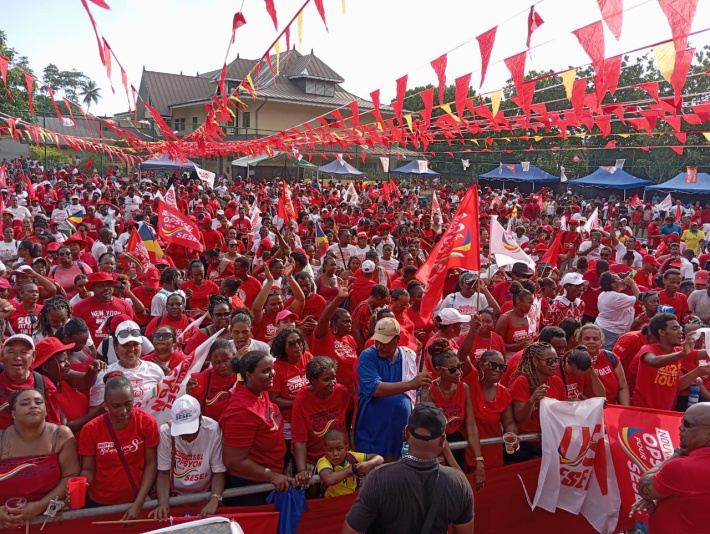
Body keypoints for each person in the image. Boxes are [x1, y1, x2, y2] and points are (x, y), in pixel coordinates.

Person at [343, 403, 474, 534]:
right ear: (443, 441)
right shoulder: (458, 483)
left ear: (406, 433)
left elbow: (351, 531)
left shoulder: (379, 478)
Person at [79, 375, 158, 518]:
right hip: (98, 504)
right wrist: (81, 485)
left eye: (128, 404)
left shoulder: (147, 423)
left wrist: (138, 504)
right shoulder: (90, 430)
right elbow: (88, 468)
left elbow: (151, 465)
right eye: (116, 406)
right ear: (106, 405)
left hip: (135, 501)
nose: (123, 411)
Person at [0, 388, 79, 529]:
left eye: (38, 402)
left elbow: (70, 476)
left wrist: (39, 506)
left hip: (51, 522)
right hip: (7, 524)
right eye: (25, 403)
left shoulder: (62, 435)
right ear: (13, 413)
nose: (33, 405)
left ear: (46, 410)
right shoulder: (1, 439)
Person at [220, 350, 291, 505]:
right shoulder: (241, 411)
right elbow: (234, 461)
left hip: (269, 477)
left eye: (272, 368)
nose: (272, 373)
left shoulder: (260, 390)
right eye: (265, 371)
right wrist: (271, 476)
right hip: (250, 487)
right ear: (249, 375)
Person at [354, 318, 431, 461]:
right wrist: (410, 384)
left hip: (399, 434)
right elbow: (375, 388)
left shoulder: (409, 355)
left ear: (397, 339)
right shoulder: (368, 356)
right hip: (373, 435)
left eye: (384, 342)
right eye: (377, 341)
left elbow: (415, 395)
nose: (379, 346)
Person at [631, 403, 710, 534]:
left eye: (687, 423)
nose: (680, 427)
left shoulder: (682, 467)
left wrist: (678, 453)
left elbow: (644, 487)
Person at [149, 395, 227, 520]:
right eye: (180, 431)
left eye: (190, 430)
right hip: (175, 499)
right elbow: (163, 473)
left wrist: (214, 499)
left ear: (200, 418)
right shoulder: (165, 432)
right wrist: (163, 503)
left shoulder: (213, 430)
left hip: (206, 496)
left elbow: (218, 471)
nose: (185, 435)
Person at [422, 347, 485, 486]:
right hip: (435, 446)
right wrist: (457, 470)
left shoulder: (464, 388)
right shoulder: (429, 392)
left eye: (460, 367)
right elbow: (439, 433)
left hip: (456, 441)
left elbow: (471, 425)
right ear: (439, 370)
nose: (458, 373)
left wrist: (479, 460)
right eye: (452, 370)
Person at [291, 357, 352, 486]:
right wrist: (302, 472)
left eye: (334, 377)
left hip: (340, 459)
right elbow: (299, 440)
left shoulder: (342, 392)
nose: (332, 382)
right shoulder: (301, 400)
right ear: (313, 381)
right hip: (314, 462)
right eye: (326, 379)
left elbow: (348, 421)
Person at [631, 313, 710, 410]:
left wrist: (697, 371)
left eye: (680, 328)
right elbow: (654, 361)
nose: (680, 332)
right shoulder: (648, 349)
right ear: (662, 332)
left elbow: (707, 353)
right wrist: (682, 354)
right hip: (643, 410)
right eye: (674, 328)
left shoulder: (679, 351)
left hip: (666, 411)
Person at [509, 342, 568, 461]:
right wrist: (532, 400)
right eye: (549, 361)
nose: (554, 365)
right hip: (525, 443)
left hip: (549, 441)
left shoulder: (557, 382)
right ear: (535, 361)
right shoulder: (522, 381)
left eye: (556, 360)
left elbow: (563, 414)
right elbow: (520, 419)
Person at [89, 320, 165, 409]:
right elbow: (94, 409)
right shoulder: (104, 374)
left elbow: (165, 400)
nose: (132, 349)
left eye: (136, 344)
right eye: (125, 345)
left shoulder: (155, 370)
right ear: (116, 347)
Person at [0, 333, 61, 429]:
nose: (17, 357)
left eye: (24, 352)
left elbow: (53, 428)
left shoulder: (45, 385)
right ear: (2, 355)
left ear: (33, 356)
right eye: (11, 352)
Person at [470, 350, 518, 468]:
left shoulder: (504, 392)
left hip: (493, 451)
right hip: (468, 450)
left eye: (502, 367)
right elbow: (462, 355)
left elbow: (509, 422)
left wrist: (511, 434)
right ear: (481, 365)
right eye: (493, 365)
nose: (497, 370)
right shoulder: (470, 385)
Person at [72, 272, 137, 345]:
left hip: (119, 352)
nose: (106, 288)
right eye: (101, 286)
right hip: (93, 353)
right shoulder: (79, 307)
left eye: (109, 285)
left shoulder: (125, 305)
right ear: (93, 288)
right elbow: (74, 333)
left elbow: (133, 329)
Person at [316, 429, 384, 498]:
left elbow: (379, 458)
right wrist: (350, 469)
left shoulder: (352, 456)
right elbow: (329, 480)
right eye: (330, 450)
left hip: (352, 498)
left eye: (339, 449)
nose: (335, 454)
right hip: (331, 500)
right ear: (325, 450)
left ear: (346, 448)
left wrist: (368, 464)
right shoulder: (323, 461)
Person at [576, 323, 631, 405]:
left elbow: (622, 387)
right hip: (588, 408)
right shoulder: (575, 360)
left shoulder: (611, 357)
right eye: (587, 339)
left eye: (595, 339)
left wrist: (626, 410)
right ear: (580, 341)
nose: (591, 342)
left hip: (612, 409)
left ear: (601, 341)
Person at [188, 339, 239, 419]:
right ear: (211, 361)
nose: (222, 365)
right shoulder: (207, 374)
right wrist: (190, 393)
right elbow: (198, 404)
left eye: (226, 360)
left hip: (234, 421)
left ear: (234, 355)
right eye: (217, 362)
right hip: (211, 424)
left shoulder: (241, 373)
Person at [595, 271, 640, 350]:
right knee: (607, 356)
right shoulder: (616, 297)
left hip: (603, 326)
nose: (622, 280)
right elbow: (640, 299)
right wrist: (633, 284)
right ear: (613, 284)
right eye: (619, 279)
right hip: (611, 332)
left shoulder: (603, 294)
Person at [495, 281, 535, 361]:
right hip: (510, 360)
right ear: (519, 302)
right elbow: (497, 345)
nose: (532, 306)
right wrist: (519, 345)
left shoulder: (531, 317)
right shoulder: (505, 319)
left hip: (528, 359)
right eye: (530, 303)